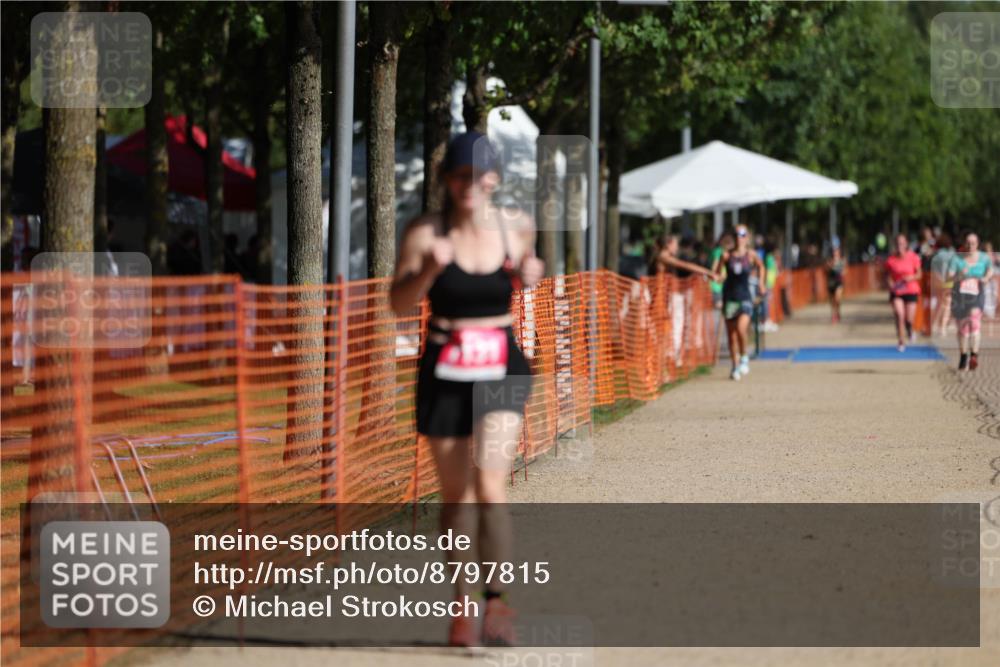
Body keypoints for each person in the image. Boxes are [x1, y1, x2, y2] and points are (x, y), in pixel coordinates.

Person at [389, 132, 544, 647]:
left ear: (493, 179)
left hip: (500, 363)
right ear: (446, 181)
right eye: (459, 176)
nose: (468, 185)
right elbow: (398, 305)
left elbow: (526, 276)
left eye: (478, 176)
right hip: (445, 366)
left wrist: (530, 274)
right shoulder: (424, 232)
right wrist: (430, 269)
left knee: (490, 485)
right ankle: (462, 608)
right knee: (455, 496)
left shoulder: (515, 227)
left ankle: (496, 603)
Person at [650, 234, 718, 368]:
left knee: (666, 330)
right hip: (658, 299)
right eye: (675, 244)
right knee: (661, 332)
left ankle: (666, 363)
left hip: (664, 298)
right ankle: (663, 363)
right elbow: (685, 265)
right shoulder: (663, 257)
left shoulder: (663, 256)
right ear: (668, 244)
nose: (677, 247)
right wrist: (708, 273)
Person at [712, 224, 766, 381]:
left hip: (744, 298)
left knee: (741, 329)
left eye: (742, 234)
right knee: (731, 335)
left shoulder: (750, 255)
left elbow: (761, 267)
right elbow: (717, 273)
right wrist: (719, 275)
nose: (738, 237)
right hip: (729, 298)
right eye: (736, 234)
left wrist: (761, 283)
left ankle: (744, 357)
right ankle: (734, 365)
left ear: (747, 238)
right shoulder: (726, 255)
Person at [948, 231, 994, 371]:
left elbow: (990, 270)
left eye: (973, 243)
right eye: (968, 243)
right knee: (963, 328)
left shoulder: (984, 258)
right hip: (960, 295)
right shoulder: (957, 258)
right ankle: (963, 356)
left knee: (974, 322)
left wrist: (986, 278)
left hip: (976, 293)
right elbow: (949, 277)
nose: (970, 245)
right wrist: (960, 275)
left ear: (977, 244)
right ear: (964, 243)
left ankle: (974, 355)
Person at [884, 233, 921, 352]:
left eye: (902, 243)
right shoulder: (891, 259)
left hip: (911, 290)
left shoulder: (913, 257)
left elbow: (919, 274)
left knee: (908, 319)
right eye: (897, 243)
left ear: (906, 244)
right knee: (900, 315)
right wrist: (890, 284)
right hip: (897, 291)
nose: (899, 245)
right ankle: (901, 341)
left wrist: (910, 278)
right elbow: (888, 276)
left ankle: (909, 329)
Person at [930, 232, 956, 337]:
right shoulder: (952, 253)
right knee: (947, 305)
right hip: (949, 281)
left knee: (939, 303)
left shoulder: (936, 255)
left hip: (937, 281)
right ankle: (942, 327)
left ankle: (933, 324)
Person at [826, 244, 846, 324]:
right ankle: (834, 314)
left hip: (839, 282)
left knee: (837, 299)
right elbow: (826, 271)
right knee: (832, 301)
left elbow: (844, 271)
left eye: (837, 252)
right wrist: (830, 266)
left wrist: (842, 271)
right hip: (831, 282)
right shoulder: (829, 261)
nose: (835, 253)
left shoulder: (842, 261)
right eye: (834, 252)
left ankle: (837, 312)